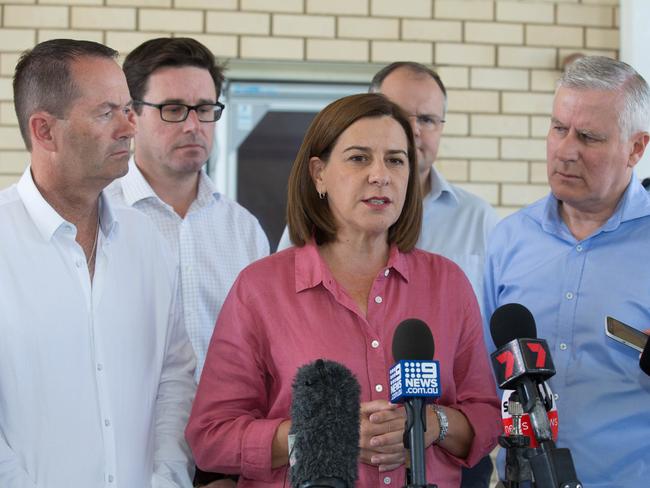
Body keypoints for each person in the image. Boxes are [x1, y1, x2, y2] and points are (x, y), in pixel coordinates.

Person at [186, 93, 501, 488]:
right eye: (358, 158)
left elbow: (487, 419)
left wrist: (432, 425)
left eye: (395, 160)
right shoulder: (260, 289)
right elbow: (212, 437)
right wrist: (322, 434)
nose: (380, 175)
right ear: (318, 173)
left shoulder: (448, 284)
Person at [0, 39, 196, 487]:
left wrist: (165, 478)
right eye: (107, 113)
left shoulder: (145, 240)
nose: (130, 128)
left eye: (129, 109)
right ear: (44, 130)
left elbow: (174, 376)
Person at [483, 56, 650, 487]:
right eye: (559, 128)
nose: (566, 150)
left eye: (589, 137)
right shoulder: (508, 240)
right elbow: (479, 382)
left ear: (636, 148)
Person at [107, 37, 269, 381]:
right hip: (130, 430)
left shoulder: (243, 230)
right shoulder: (100, 216)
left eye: (205, 109)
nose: (194, 126)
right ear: (131, 115)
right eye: (174, 109)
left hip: (225, 429)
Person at [278, 62, 499, 305]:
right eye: (399, 114)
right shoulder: (315, 221)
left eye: (427, 119)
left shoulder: (478, 218)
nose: (413, 129)